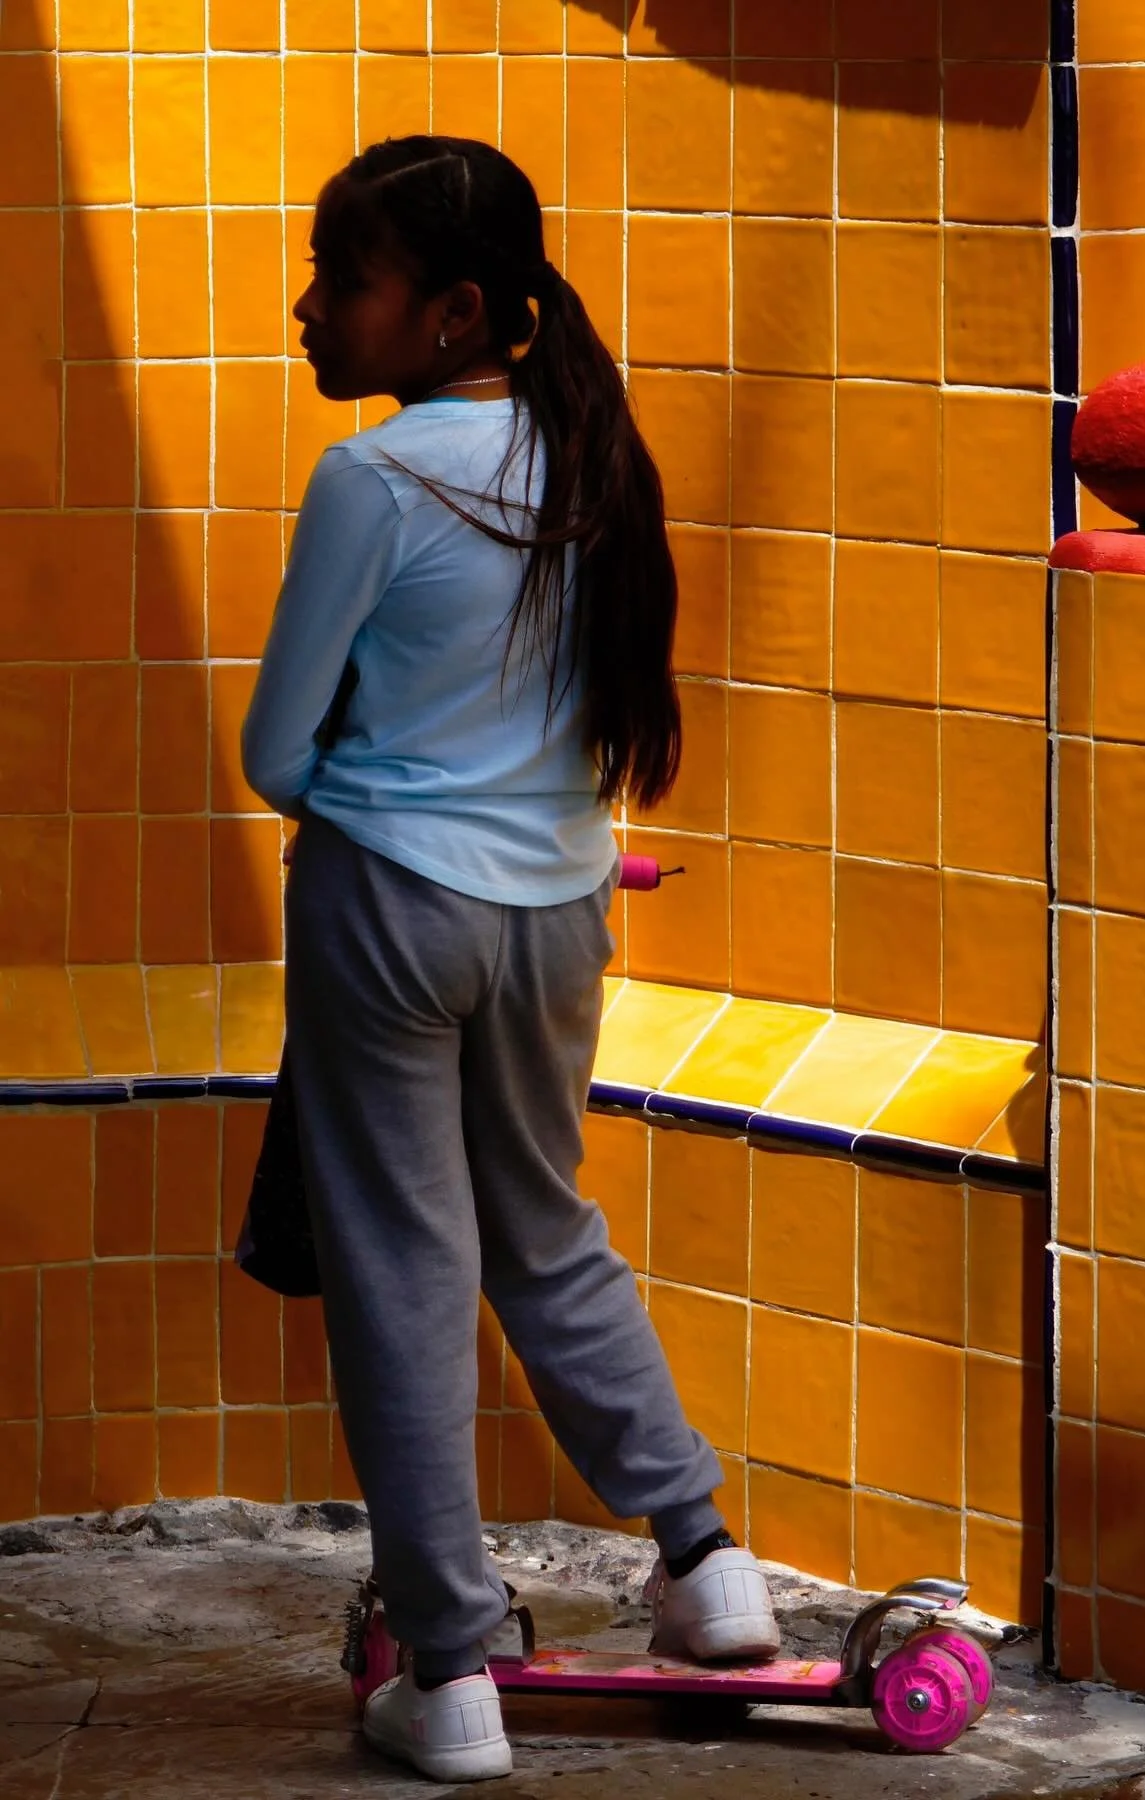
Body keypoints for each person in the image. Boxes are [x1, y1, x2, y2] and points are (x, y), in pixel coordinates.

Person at [241, 136, 778, 1786]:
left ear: (454, 310)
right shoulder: (592, 455)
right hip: (560, 911)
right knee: (545, 1228)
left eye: (344, 280)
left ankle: (451, 1669)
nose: (309, 309)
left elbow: (274, 753)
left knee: (403, 1274)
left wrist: (370, 791)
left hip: (390, 910)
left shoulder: (374, 480)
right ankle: (708, 1565)